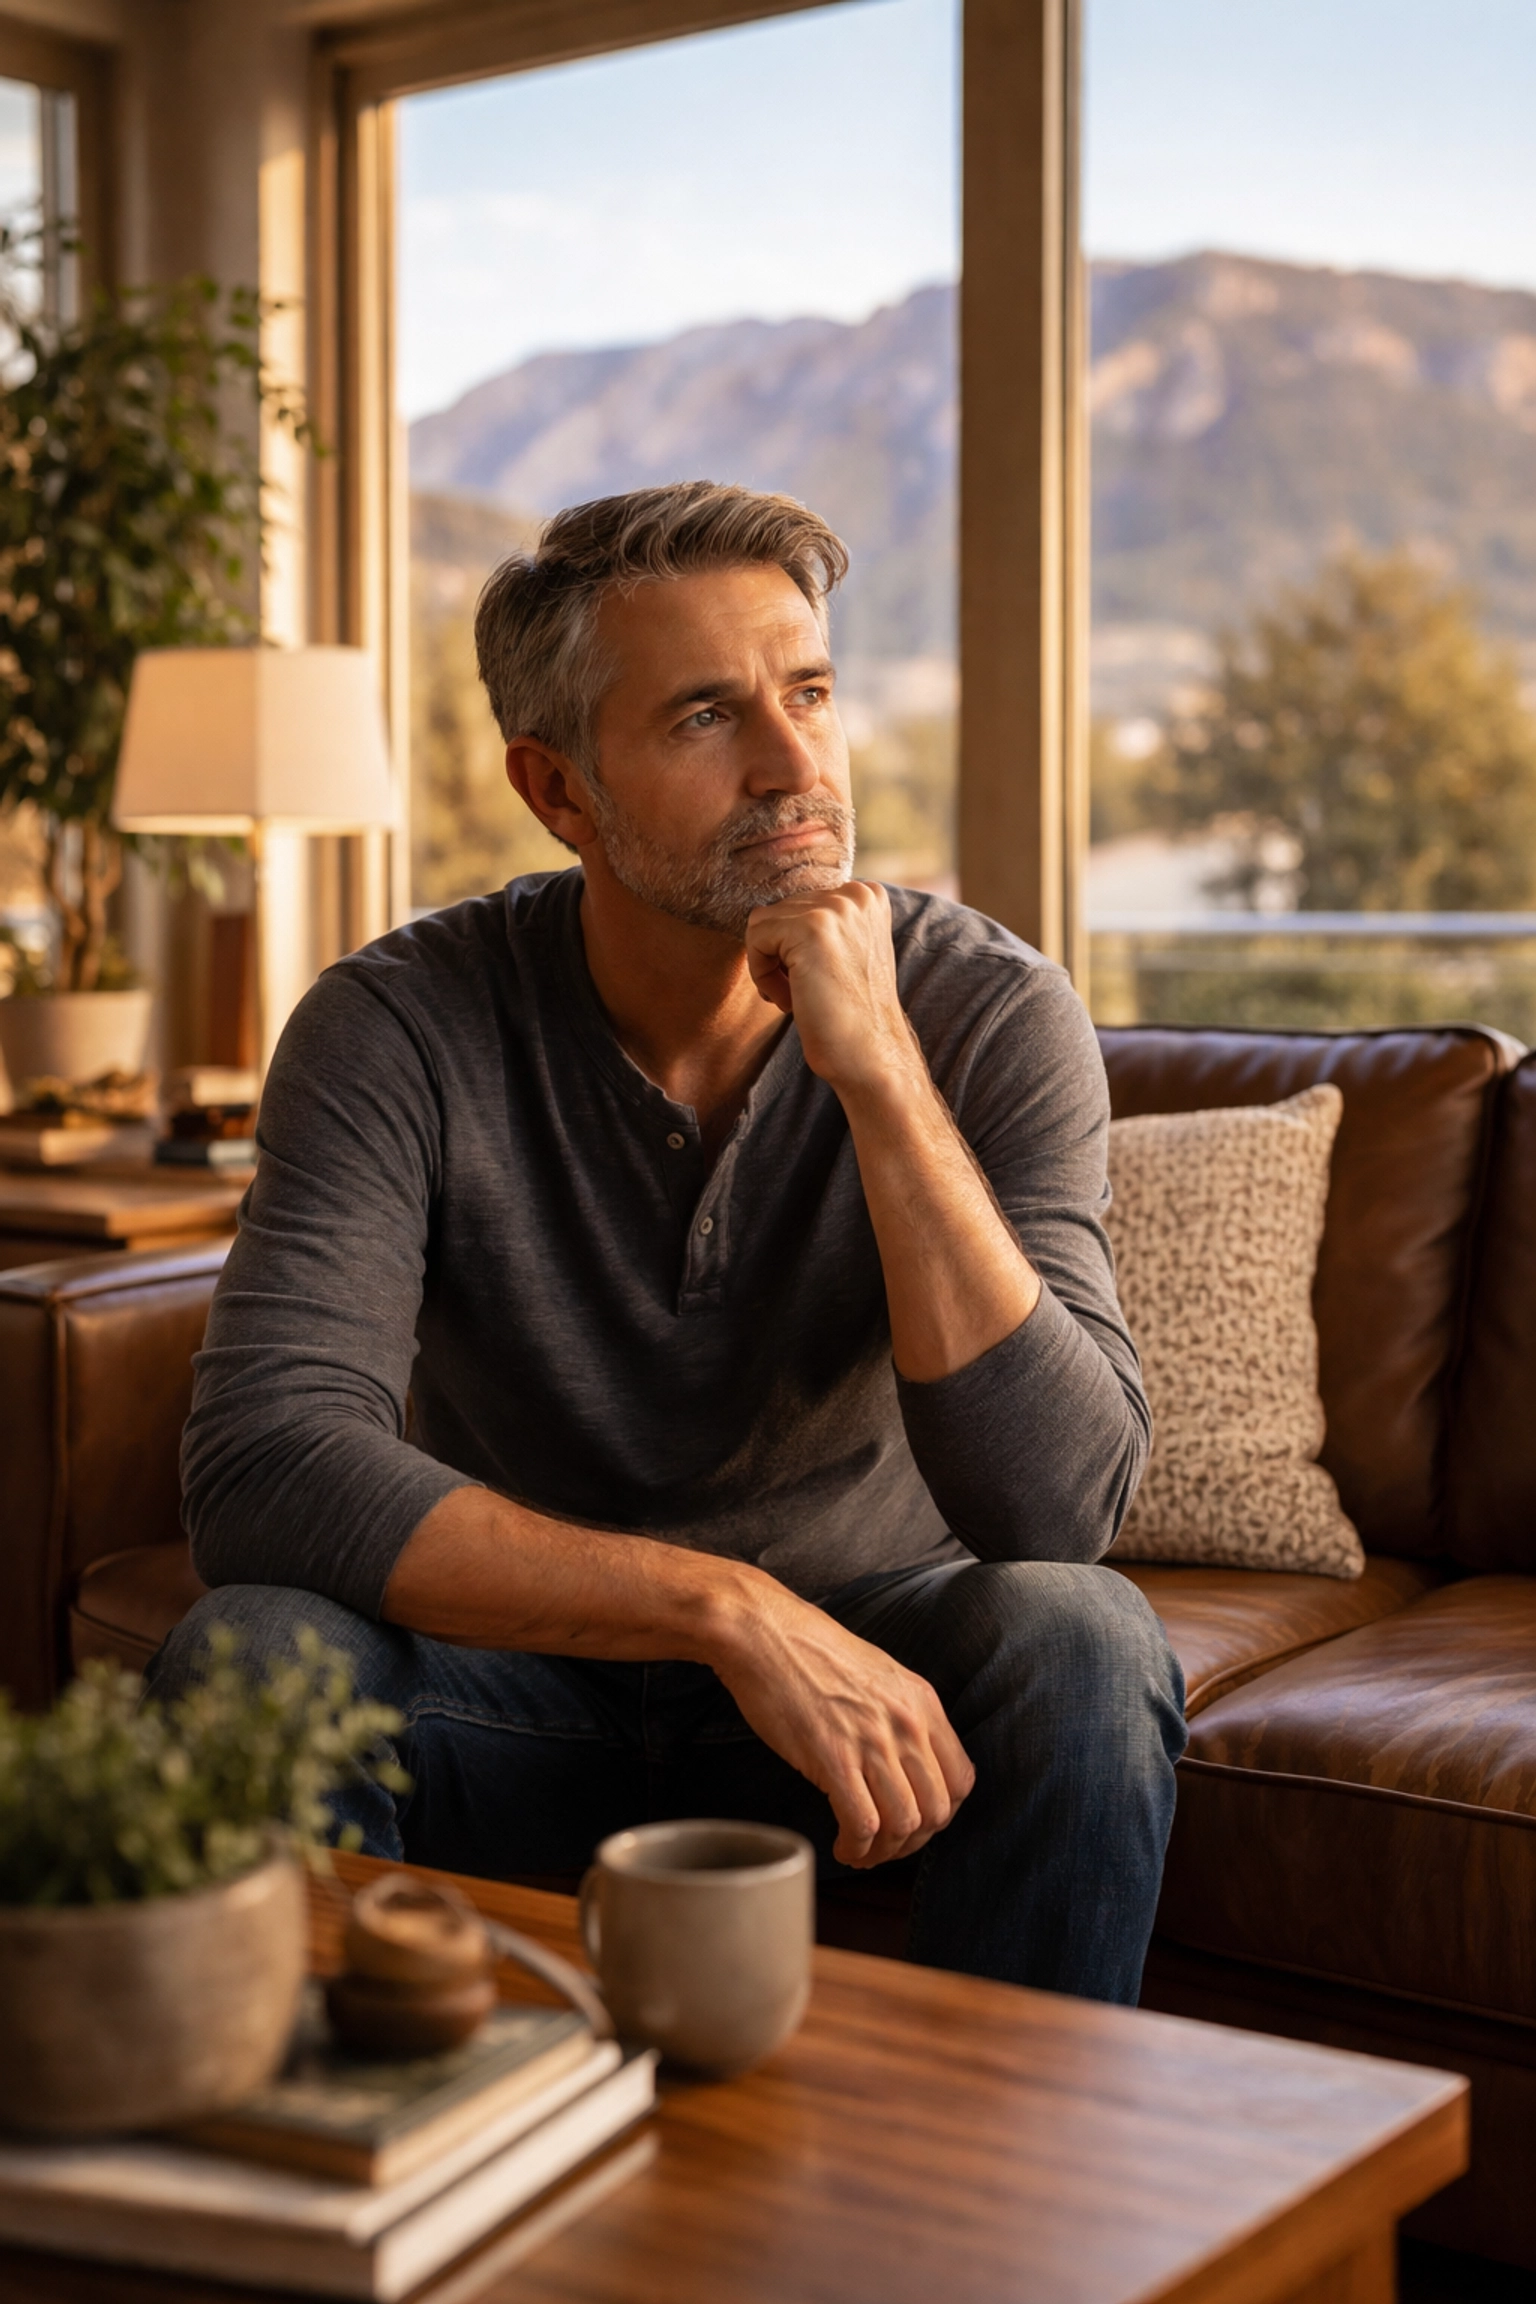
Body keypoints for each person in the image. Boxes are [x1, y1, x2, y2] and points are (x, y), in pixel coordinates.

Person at [152, 481, 1185, 2002]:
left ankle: (1015, 2208)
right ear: (557, 790)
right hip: (521, 1696)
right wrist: (722, 1609)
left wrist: (884, 1075)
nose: (793, 765)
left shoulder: (993, 1011)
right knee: (252, 1655)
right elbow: (264, 1468)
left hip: (871, 1715)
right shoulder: (397, 1025)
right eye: (706, 717)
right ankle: (326, 2190)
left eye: (810, 694)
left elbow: (1057, 1508)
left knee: (1084, 1643)